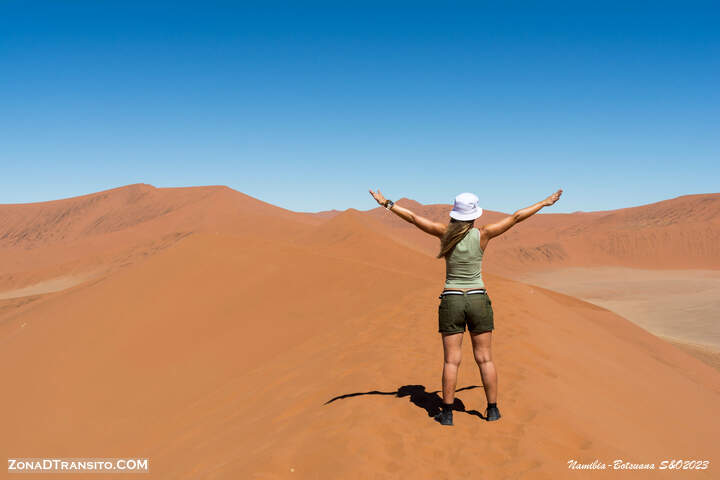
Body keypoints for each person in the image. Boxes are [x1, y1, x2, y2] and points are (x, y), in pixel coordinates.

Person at [368, 188, 563, 426]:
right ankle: (492, 410)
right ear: (474, 214)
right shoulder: (484, 234)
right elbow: (516, 217)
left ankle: (447, 414)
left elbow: (412, 218)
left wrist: (386, 203)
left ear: (455, 213)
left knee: (452, 361)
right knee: (485, 359)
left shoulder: (444, 233)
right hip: (478, 298)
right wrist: (544, 202)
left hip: (452, 299)